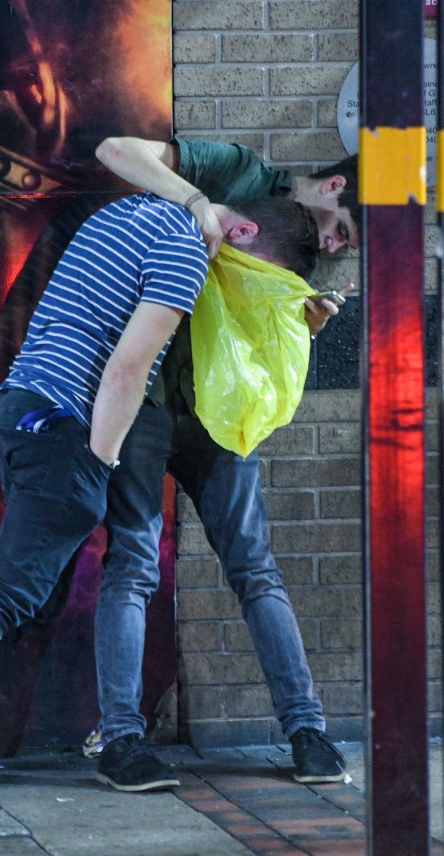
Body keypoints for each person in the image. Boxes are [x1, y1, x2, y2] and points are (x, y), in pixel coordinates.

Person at [0, 188, 317, 792]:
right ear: (245, 234)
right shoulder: (186, 254)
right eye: (257, 274)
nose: (243, 285)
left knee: (25, 596)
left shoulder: (136, 210)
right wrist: (103, 461)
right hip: (64, 427)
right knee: (10, 593)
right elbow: (127, 371)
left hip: (23, 411)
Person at [86, 136, 359, 790]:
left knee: (254, 566)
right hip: (148, 390)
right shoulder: (236, 172)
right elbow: (115, 151)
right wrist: (196, 203)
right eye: (340, 231)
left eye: (343, 249)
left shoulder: (297, 261)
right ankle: (121, 739)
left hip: (217, 409)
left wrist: (303, 326)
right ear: (333, 188)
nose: (332, 249)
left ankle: (307, 732)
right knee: (132, 561)